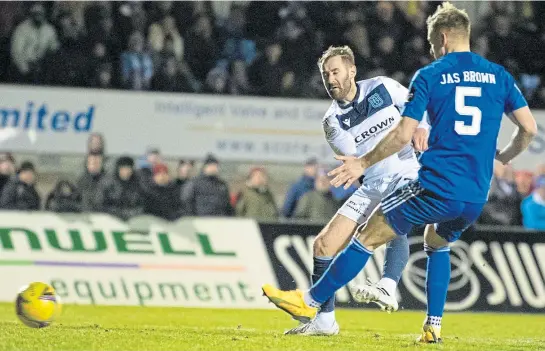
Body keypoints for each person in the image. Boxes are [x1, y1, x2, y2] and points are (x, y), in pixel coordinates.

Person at [262, 2, 537, 344]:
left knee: (374, 231)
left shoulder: (416, 79)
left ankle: (322, 299)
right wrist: (505, 157)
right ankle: (425, 326)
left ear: (444, 38)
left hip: (420, 175)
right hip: (469, 191)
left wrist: (379, 152)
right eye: (326, 74)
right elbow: (528, 128)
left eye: (434, 43)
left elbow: (406, 131)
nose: (330, 78)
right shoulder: (499, 76)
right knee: (425, 244)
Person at [268, 44, 430, 336]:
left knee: (393, 222)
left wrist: (423, 127)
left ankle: (388, 285)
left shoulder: (383, 86)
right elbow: (356, 163)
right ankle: (325, 321)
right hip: (373, 183)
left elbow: (417, 108)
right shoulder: (331, 122)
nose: (330, 79)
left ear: (352, 71)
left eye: (335, 71)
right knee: (323, 245)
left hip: (405, 173)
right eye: (325, 74)